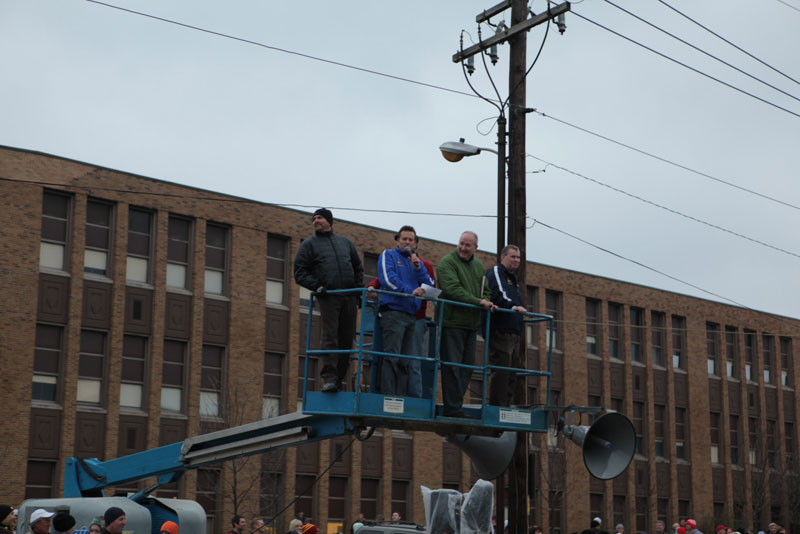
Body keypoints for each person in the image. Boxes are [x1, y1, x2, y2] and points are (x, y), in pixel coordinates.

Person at [294, 208, 364, 392]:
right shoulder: (309, 245)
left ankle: (338, 379)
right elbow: (300, 272)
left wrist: (358, 292)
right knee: (330, 337)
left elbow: (358, 267)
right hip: (329, 297)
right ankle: (329, 378)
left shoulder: (345, 243)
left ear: (330, 222)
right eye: (314, 218)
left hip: (349, 296)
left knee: (346, 339)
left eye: (320, 218)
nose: (316, 221)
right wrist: (317, 286)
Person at [436, 231, 493, 417]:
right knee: (452, 366)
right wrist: (478, 302)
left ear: (476, 247)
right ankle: (452, 408)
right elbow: (452, 289)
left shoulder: (478, 266)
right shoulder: (447, 263)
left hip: (471, 324)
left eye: (468, 245)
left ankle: (456, 405)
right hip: (451, 322)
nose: (463, 248)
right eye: (461, 243)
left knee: (467, 368)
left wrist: (484, 299)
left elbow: (485, 290)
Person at [377, 225, 435, 396]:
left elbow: (430, 286)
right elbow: (388, 280)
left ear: (416, 244)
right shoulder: (389, 255)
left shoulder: (416, 262)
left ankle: (400, 397)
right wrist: (410, 292)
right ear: (397, 240)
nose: (407, 242)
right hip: (393, 312)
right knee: (392, 357)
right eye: (404, 239)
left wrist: (418, 268)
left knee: (405, 360)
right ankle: (389, 396)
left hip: (411, 315)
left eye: (411, 240)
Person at [485, 245, 526, 406]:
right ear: (503, 257)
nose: (516, 260)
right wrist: (512, 307)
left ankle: (505, 405)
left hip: (515, 331)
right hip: (500, 330)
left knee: (512, 373)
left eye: (518, 257)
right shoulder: (496, 272)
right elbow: (498, 293)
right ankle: (497, 407)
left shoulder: (513, 279)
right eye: (513, 257)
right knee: (501, 371)